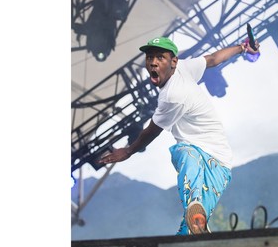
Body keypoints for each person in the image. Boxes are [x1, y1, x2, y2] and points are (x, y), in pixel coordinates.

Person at [99, 35, 260, 235]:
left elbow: (152, 130)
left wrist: (129, 150)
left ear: (173, 62)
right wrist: (242, 47)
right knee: (191, 229)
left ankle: (194, 206)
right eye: (150, 58)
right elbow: (212, 59)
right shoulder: (183, 67)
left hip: (219, 163)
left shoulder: (172, 96)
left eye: (159, 58)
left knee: (184, 152)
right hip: (204, 154)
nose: (153, 63)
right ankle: (194, 208)